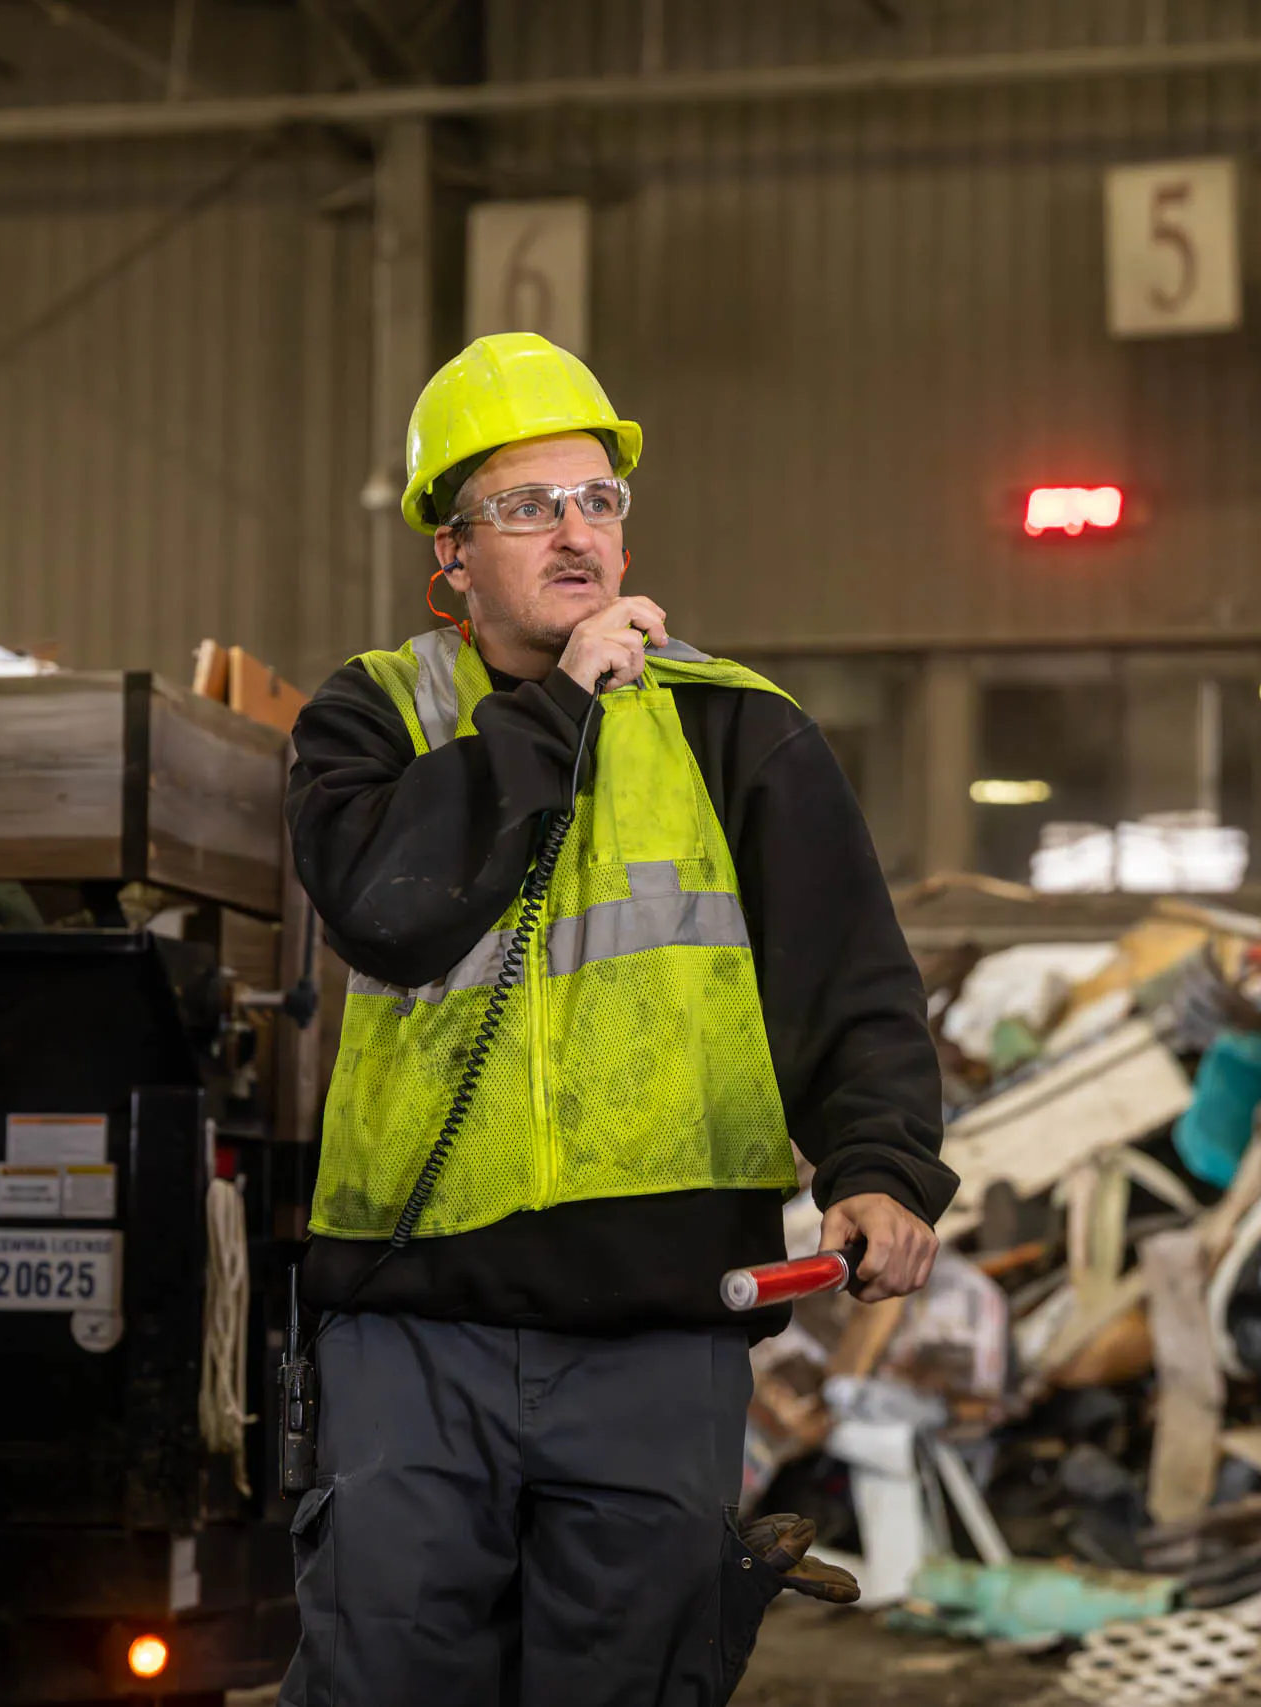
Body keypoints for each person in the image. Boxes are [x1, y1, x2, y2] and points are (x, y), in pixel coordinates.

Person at [278, 332, 956, 1706]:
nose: (575, 532)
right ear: (452, 557)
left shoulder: (737, 731)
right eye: (527, 508)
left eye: (597, 499)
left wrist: (881, 1165)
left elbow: (849, 978)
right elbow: (391, 906)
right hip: (415, 1329)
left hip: (658, 1333)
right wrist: (557, 705)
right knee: (384, 1675)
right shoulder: (375, 717)